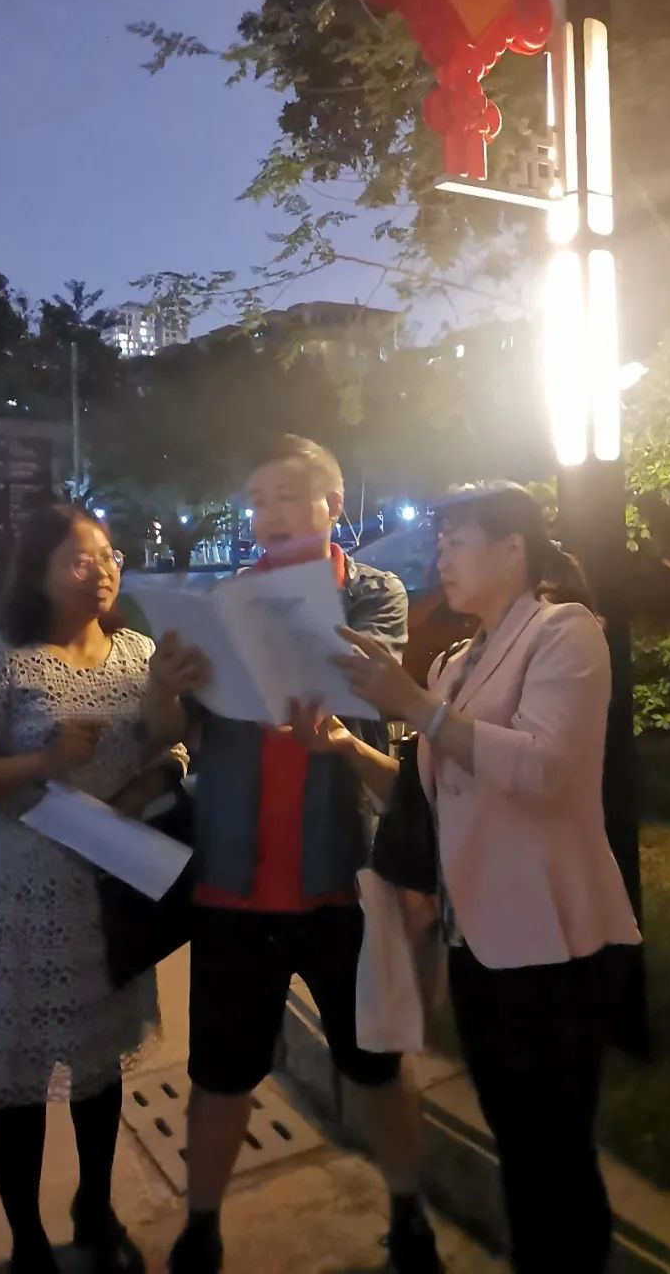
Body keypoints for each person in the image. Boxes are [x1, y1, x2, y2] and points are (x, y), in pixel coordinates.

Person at [308, 482, 641, 1274]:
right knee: (518, 1148)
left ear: (512, 548)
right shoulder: (457, 662)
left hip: (554, 944)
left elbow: (545, 768)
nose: (441, 556)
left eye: (457, 540)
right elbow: (432, 799)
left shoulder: (565, 632)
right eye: (441, 541)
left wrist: (416, 705)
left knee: (557, 1151)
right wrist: (349, 748)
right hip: (480, 946)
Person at [149, 435, 442, 1274]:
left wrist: (265, 651)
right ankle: (201, 1227)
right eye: (256, 499)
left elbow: (365, 677)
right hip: (233, 882)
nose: (267, 514)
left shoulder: (374, 592)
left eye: (285, 495)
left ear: (331, 505)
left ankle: (410, 1216)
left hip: (342, 878)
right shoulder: (220, 600)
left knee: (376, 1063)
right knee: (219, 1072)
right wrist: (166, 683)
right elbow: (170, 732)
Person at [0, 503, 170, 1274]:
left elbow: (169, 745)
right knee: (22, 1078)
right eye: (80, 557)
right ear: (39, 571)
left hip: (112, 886)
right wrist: (43, 761)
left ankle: (94, 1210)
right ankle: (27, 1241)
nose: (102, 570)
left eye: (110, 555)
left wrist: (164, 759)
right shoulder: (4, 657)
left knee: (99, 1068)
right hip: (25, 894)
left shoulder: (138, 652)